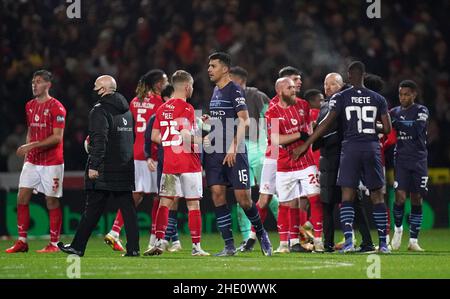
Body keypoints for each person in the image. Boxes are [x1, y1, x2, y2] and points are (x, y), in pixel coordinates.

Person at [295, 61, 392, 253]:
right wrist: (371, 127)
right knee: (377, 196)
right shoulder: (378, 98)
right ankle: (382, 244)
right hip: (371, 148)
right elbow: (387, 129)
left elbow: (325, 125)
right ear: (364, 75)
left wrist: (307, 144)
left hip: (350, 149)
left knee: (347, 196)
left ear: (349, 76)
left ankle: (348, 242)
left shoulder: (342, 97)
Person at [58, 75, 140, 257]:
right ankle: (133, 249)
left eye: (96, 86)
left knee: (93, 209)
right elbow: (129, 140)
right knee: (128, 209)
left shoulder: (99, 110)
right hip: (124, 166)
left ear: (102, 89)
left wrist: (94, 165)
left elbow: (99, 140)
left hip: (104, 167)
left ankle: (78, 247)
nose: (93, 89)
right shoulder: (127, 111)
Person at [203, 52, 272, 256]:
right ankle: (229, 246)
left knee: (243, 199)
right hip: (215, 150)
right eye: (209, 66)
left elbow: (244, 120)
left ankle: (261, 233)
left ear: (225, 69)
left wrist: (234, 146)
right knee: (217, 195)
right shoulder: (215, 90)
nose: (209, 69)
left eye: (213, 66)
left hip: (235, 150)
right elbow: (223, 120)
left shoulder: (235, 90)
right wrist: (210, 122)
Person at [145, 70, 209, 256]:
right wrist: (203, 137)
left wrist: (171, 141)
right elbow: (186, 136)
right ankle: (196, 247)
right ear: (187, 87)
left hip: (170, 162)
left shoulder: (162, 108)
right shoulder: (187, 108)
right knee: (193, 205)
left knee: (165, 202)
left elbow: (155, 136)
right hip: (189, 162)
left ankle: (158, 242)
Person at [104, 70, 167, 252]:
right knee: (159, 196)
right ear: (157, 85)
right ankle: (154, 239)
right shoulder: (159, 103)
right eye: (165, 82)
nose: (167, 84)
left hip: (135, 151)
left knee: (136, 194)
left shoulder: (134, 101)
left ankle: (115, 231)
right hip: (151, 152)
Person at [6, 70, 66, 253]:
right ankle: (22, 241)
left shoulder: (58, 107)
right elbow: (31, 130)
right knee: (21, 198)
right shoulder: (29, 105)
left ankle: (54, 244)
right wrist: (27, 153)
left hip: (52, 163)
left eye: (38, 82)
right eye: (33, 81)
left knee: (51, 201)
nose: (34, 84)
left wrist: (30, 146)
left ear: (48, 85)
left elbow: (57, 138)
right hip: (32, 161)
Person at [265, 78, 321, 254]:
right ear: (280, 91)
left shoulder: (303, 105)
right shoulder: (271, 112)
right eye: (289, 88)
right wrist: (299, 135)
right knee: (285, 204)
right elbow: (275, 140)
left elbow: (310, 130)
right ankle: (284, 243)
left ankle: (318, 240)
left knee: (315, 198)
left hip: (306, 162)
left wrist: (307, 136)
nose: (294, 90)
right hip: (284, 164)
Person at [229, 66, 279, 251]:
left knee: (268, 193)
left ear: (240, 81)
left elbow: (271, 120)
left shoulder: (257, 95)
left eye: (230, 79)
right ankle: (247, 239)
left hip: (260, 147)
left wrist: (272, 148)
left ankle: (287, 235)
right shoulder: (228, 97)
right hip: (240, 147)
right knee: (243, 195)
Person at [390, 80, 429, 252]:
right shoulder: (394, 111)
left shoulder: (421, 110)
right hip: (401, 160)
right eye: (400, 94)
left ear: (414, 94)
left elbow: (416, 129)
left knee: (417, 198)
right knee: (399, 196)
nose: (403, 97)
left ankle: (413, 240)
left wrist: (396, 124)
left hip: (419, 160)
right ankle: (398, 230)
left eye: (406, 94)